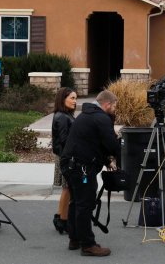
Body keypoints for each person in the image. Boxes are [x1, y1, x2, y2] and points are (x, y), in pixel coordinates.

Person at [60, 90, 120, 257]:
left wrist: (106, 161)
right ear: (107, 104)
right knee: (85, 203)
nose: (114, 109)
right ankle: (88, 245)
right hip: (82, 168)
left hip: (70, 164)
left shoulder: (87, 115)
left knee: (76, 201)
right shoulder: (101, 118)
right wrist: (117, 155)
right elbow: (111, 144)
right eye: (114, 106)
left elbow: (95, 142)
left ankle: (75, 238)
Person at [52, 87, 77, 234]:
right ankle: (63, 220)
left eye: (75, 98)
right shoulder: (62, 117)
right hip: (65, 157)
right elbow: (63, 140)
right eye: (72, 98)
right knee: (67, 189)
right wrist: (69, 159)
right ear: (63, 99)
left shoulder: (65, 115)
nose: (75, 101)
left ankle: (60, 217)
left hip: (65, 156)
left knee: (66, 189)